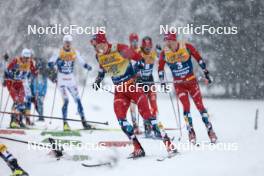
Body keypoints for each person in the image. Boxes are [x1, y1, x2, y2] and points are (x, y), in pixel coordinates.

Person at [92, 32, 176, 158]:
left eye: (101, 45)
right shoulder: (99, 56)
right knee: (121, 120)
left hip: (133, 86)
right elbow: (102, 69)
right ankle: (138, 148)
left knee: (148, 117)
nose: (99, 48)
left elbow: (140, 60)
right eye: (97, 46)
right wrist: (98, 81)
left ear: (105, 42)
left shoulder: (119, 48)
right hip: (119, 91)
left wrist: (138, 75)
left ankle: (169, 145)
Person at [158, 32, 217, 144]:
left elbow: (199, 59)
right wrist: (162, 82)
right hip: (179, 85)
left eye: (170, 40)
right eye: (166, 41)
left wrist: (206, 73)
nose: (168, 43)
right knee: (186, 108)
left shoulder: (187, 47)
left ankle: (210, 130)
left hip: (192, 82)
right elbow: (160, 69)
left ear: (175, 40)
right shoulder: (164, 53)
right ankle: (191, 132)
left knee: (200, 106)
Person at [48, 35, 92, 131]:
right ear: (63, 43)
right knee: (66, 100)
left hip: (71, 79)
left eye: (69, 42)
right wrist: (53, 64)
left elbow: (81, 61)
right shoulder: (58, 52)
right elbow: (50, 62)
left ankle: (84, 121)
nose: (68, 44)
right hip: (61, 79)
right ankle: (65, 123)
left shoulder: (74, 52)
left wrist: (86, 66)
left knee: (78, 100)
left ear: (71, 43)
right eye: (66, 42)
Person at [134, 36, 161, 137]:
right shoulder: (138, 53)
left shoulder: (153, 53)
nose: (148, 49)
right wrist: (137, 78)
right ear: (142, 47)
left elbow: (161, 58)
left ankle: (155, 126)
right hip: (141, 83)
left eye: (149, 47)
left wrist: (159, 52)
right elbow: (133, 67)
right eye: (146, 48)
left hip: (150, 82)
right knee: (144, 106)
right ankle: (147, 126)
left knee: (154, 105)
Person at [4, 49, 37, 128]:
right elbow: (7, 70)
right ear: (22, 56)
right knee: (17, 101)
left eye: (28, 57)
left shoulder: (30, 62)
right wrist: (7, 75)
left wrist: (37, 71)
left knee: (22, 102)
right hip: (11, 83)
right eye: (25, 57)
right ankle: (13, 121)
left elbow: (34, 71)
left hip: (20, 83)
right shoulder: (16, 60)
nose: (26, 59)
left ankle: (19, 121)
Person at [128, 33, 141, 134]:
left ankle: (148, 125)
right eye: (133, 41)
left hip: (142, 81)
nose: (135, 43)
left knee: (143, 103)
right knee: (132, 105)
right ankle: (135, 125)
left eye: (136, 41)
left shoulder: (141, 51)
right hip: (131, 82)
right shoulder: (127, 52)